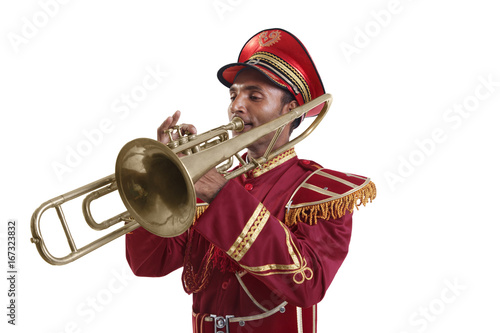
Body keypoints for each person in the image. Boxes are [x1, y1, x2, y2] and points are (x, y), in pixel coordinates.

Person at [126, 28, 376, 333]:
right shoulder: (208, 185)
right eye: (234, 95)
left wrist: (222, 194)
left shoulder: (321, 192)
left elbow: (307, 283)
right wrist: (158, 186)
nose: (236, 106)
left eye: (254, 96)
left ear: (290, 110)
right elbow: (149, 264)